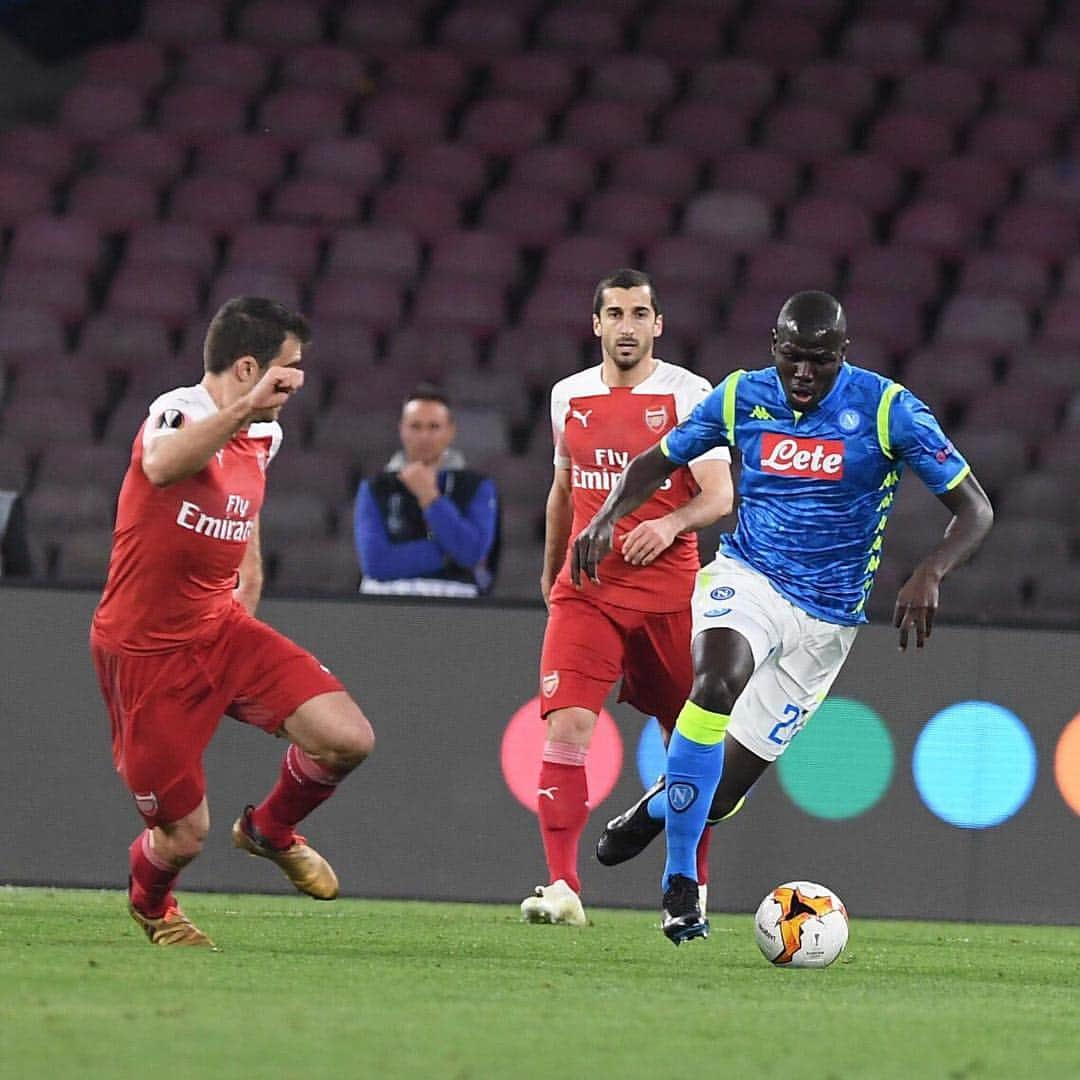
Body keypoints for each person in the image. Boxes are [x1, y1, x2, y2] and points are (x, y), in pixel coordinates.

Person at [573, 290, 994, 944]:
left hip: (828, 621)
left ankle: (662, 806)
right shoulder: (742, 396)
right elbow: (657, 462)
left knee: (714, 796)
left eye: (820, 362)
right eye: (794, 358)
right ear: (774, 349)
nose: (804, 374)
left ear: (843, 356)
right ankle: (681, 882)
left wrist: (930, 570)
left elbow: (975, 509)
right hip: (748, 577)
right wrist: (603, 518)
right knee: (714, 683)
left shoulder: (886, 409)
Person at [90, 297, 375, 949]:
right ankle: (152, 905)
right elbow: (162, 466)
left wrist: (250, 570)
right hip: (144, 650)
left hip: (219, 629)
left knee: (347, 738)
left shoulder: (265, 434)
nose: (299, 380)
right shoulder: (178, 410)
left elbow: (241, 501)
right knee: (182, 836)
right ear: (247, 368)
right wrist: (242, 409)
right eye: (289, 366)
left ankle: (270, 830)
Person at [520, 268, 734, 927]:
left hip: (669, 596)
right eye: (614, 314)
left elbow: (720, 494)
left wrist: (667, 524)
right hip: (586, 593)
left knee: (688, 742)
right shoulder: (568, 397)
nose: (627, 326)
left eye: (639, 314)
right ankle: (562, 887)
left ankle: (690, 886)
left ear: (657, 325)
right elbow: (563, 492)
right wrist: (552, 569)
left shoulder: (687, 394)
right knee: (567, 729)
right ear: (596, 324)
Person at [354, 385, 500, 598]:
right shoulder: (375, 487)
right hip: (386, 599)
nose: (424, 436)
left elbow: (471, 553)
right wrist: (447, 554)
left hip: (458, 600)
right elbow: (376, 564)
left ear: (450, 431)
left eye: (433, 427)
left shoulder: (477, 486)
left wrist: (430, 498)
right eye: (415, 426)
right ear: (402, 430)